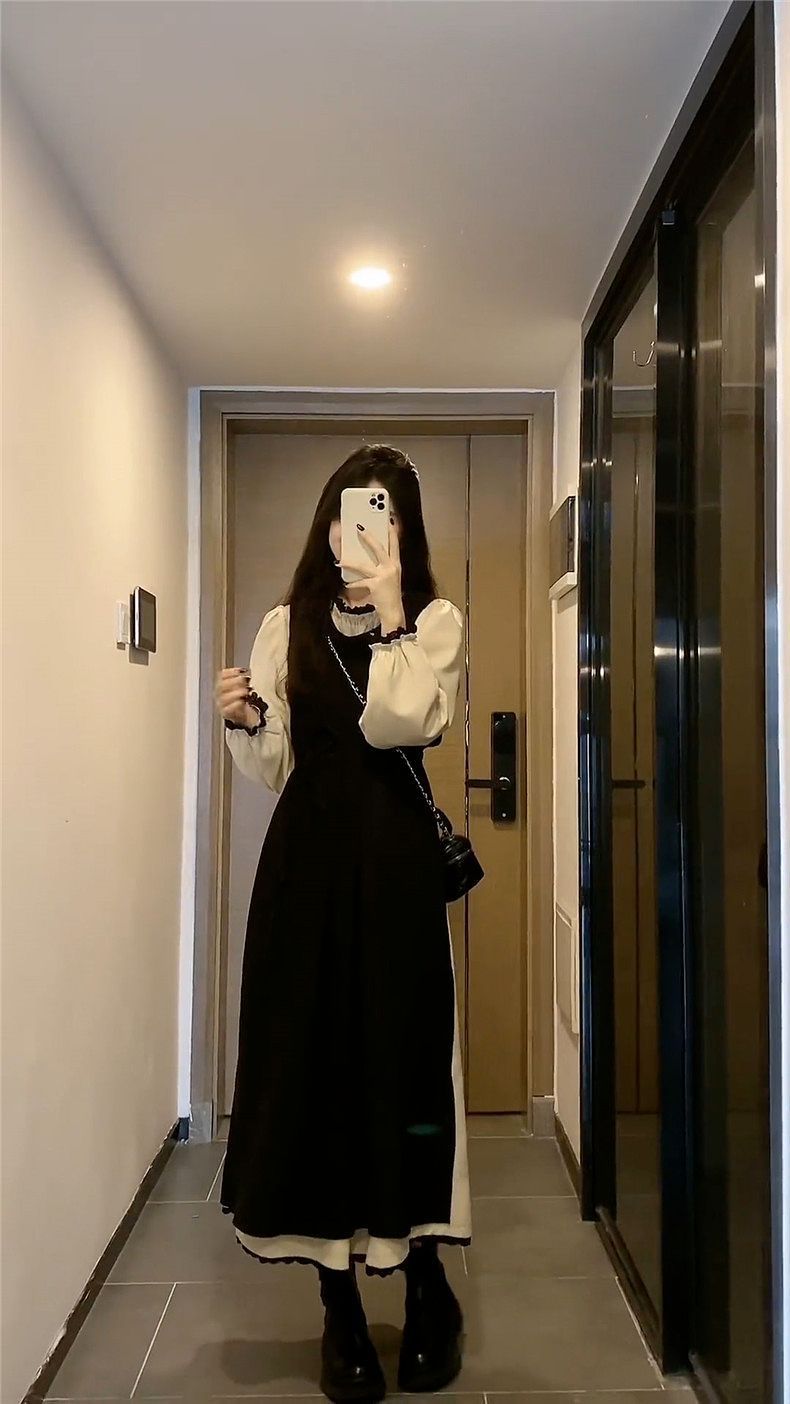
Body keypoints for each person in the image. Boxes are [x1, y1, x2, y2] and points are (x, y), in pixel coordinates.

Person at [214, 444, 470, 1403]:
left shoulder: (436, 621)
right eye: (350, 513)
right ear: (325, 525)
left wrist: (393, 612)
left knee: (402, 1059)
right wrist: (247, 721)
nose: (361, 530)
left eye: (384, 514)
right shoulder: (285, 625)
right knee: (311, 1065)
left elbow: (401, 725)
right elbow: (279, 763)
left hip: (396, 869)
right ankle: (339, 1304)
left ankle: (428, 1278)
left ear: (405, 531)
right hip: (306, 871)